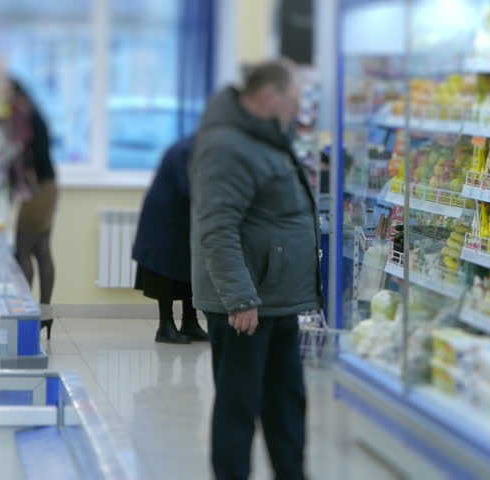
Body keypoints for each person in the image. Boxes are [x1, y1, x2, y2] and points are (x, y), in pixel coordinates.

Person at [191, 59, 321, 480]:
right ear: (268, 97)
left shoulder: (264, 138)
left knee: (286, 401)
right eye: (293, 98)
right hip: (246, 305)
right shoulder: (228, 145)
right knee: (239, 406)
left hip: (274, 298)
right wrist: (240, 297)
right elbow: (216, 226)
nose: (298, 107)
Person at [132, 137, 208, 344]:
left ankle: (190, 323)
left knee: (188, 269)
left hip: (182, 217)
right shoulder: (186, 150)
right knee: (164, 270)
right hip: (163, 217)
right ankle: (165, 327)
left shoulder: (199, 145)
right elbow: (190, 186)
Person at [10, 79, 59, 339]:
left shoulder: (24, 118)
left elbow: (25, 160)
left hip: (38, 190)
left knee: (22, 252)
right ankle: (44, 313)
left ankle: (26, 318)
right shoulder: (33, 114)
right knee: (41, 250)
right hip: (48, 187)